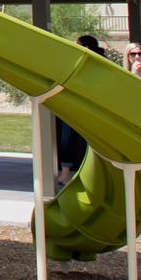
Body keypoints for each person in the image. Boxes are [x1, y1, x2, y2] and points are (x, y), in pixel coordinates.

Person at [54, 35, 108, 185]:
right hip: (72, 106)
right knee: (66, 141)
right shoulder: (73, 62)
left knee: (91, 142)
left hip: (90, 109)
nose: (75, 46)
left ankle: (91, 174)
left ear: (87, 47)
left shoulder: (99, 64)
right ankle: (65, 174)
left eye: (78, 44)